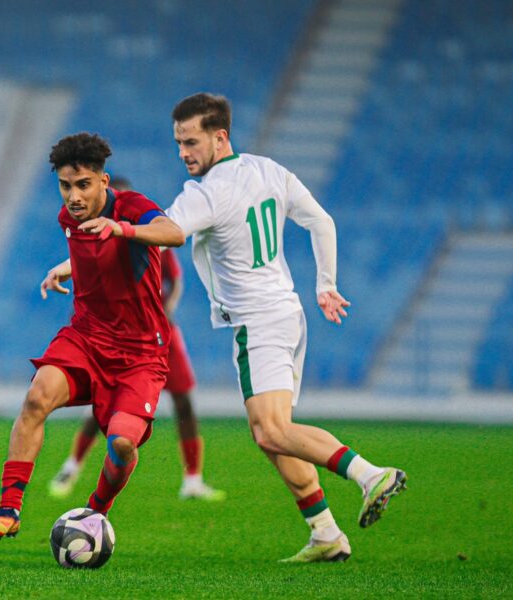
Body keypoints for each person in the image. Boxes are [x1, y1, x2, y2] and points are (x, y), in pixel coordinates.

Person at [163, 93, 407, 562]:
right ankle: (325, 533)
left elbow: (166, 232)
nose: (183, 153)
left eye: (191, 142)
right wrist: (326, 284)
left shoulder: (207, 191)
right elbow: (321, 221)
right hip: (287, 315)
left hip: (258, 322)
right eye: (178, 143)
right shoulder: (269, 170)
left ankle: (369, 474)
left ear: (220, 137)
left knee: (272, 430)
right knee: (275, 434)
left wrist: (108, 237)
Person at [0, 133, 185, 539]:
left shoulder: (130, 206)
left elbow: (174, 234)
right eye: (65, 185)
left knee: (122, 445)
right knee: (37, 397)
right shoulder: (68, 218)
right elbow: (92, 251)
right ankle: (8, 508)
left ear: (104, 181)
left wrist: (122, 229)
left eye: (83, 185)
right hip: (86, 338)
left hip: (141, 354)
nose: (73, 196)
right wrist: (65, 268)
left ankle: (95, 512)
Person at [48, 179, 226, 502]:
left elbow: (174, 278)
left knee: (184, 401)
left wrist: (167, 310)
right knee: (105, 409)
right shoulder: (92, 240)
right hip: (115, 338)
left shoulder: (145, 234)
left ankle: (193, 479)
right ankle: (72, 466)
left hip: (159, 334)